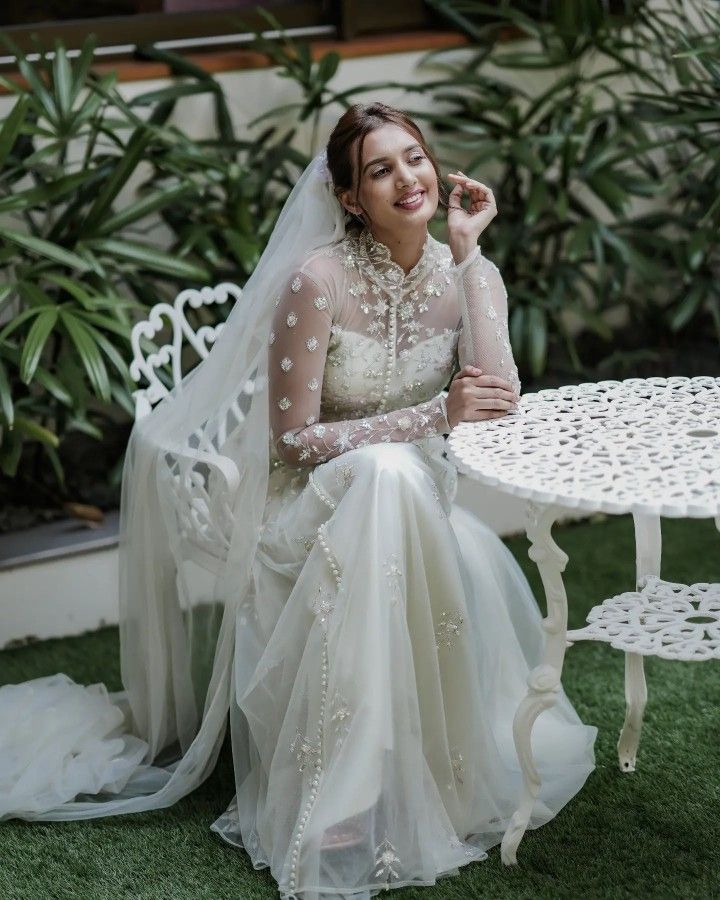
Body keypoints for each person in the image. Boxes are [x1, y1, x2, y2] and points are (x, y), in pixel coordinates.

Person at [0, 103, 595, 900]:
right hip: (312, 504)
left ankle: (398, 772)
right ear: (350, 197)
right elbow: (291, 442)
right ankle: (345, 791)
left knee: (396, 480)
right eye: (379, 170)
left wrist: (472, 256)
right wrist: (427, 419)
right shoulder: (318, 281)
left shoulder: (463, 277)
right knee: (386, 474)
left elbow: (499, 396)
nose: (406, 179)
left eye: (414, 159)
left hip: (415, 501)